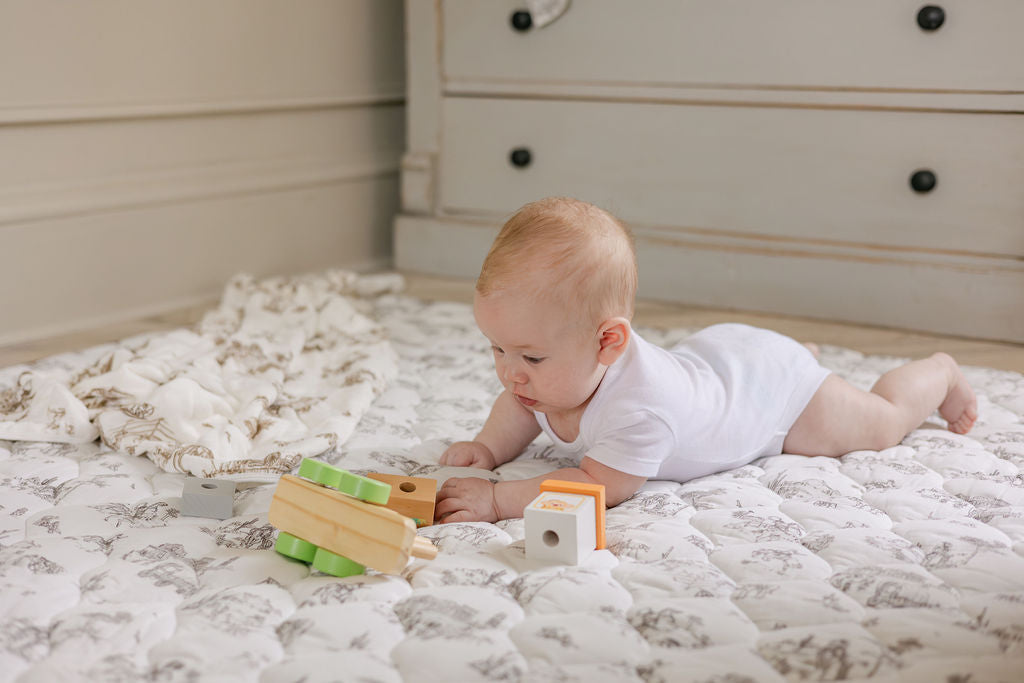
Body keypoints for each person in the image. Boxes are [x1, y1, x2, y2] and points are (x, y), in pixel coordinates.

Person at [433, 197, 978, 524]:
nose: (510, 372)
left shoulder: (640, 410)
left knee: (880, 423)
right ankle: (790, 350)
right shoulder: (544, 378)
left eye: (530, 355)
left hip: (773, 397)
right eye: (497, 348)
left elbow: (595, 486)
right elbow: (519, 407)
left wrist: (499, 501)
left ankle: (939, 372)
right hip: (723, 357)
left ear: (609, 343)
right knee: (720, 369)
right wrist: (488, 447)